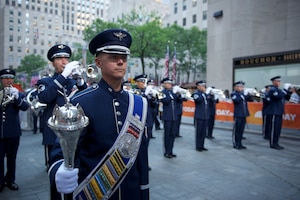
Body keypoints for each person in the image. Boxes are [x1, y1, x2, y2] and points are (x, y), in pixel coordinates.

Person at [48, 29, 149, 200]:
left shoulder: (140, 103)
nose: (120, 61)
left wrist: (143, 192)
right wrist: (59, 170)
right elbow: (62, 152)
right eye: (112, 57)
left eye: (124, 57)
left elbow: (141, 158)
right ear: (98, 62)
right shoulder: (80, 102)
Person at [37, 44, 87, 170]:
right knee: (56, 167)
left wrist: (80, 81)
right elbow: (45, 98)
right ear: (53, 63)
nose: (64, 61)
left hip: (75, 129)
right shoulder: (46, 82)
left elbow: (86, 98)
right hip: (54, 131)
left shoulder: (73, 81)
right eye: (59, 58)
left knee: (76, 166)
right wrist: (64, 75)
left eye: (66, 58)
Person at [0, 69, 29, 192]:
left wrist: (17, 97)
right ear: (1, 80)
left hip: (13, 133)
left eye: (10, 78)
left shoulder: (17, 93)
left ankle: (10, 180)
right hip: (0, 133)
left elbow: (25, 107)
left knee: (12, 159)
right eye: (5, 78)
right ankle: (0, 182)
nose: (8, 80)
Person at [266, 76, 289, 150]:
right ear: (273, 82)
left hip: (278, 112)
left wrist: (288, 90)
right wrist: (285, 89)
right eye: (277, 81)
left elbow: (286, 96)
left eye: (279, 81)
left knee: (278, 129)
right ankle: (273, 143)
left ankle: (276, 142)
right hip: (274, 112)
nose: (279, 83)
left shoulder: (278, 90)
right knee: (274, 129)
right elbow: (279, 96)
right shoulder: (272, 90)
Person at [160, 77, 180, 158]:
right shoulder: (161, 92)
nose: (169, 85)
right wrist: (174, 94)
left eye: (170, 83)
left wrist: (178, 94)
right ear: (164, 84)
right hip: (167, 117)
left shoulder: (172, 92)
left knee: (172, 134)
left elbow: (180, 100)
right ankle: (166, 151)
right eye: (168, 83)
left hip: (174, 116)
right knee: (167, 135)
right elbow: (165, 101)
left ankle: (171, 151)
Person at [133, 74, 156, 139]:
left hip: (148, 120)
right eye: (142, 82)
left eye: (144, 82)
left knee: (146, 141)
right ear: (137, 82)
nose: (144, 84)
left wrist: (153, 98)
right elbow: (138, 102)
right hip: (138, 121)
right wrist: (145, 94)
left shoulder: (148, 92)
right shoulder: (134, 91)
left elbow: (153, 105)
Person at [231, 81, 252, 149]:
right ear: (236, 87)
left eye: (242, 86)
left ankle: (240, 143)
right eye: (240, 86)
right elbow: (236, 100)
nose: (242, 88)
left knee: (241, 130)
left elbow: (250, 99)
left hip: (244, 114)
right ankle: (235, 143)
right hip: (238, 114)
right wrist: (243, 95)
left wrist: (249, 94)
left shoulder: (243, 94)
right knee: (237, 130)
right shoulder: (234, 94)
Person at [192, 80, 209, 151]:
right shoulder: (196, 93)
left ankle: (202, 145)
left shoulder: (205, 94)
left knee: (203, 132)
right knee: (199, 132)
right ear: (198, 86)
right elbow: (198, 100)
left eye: (204, 86)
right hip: (199, 115)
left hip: (205, 116)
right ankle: (198, 146)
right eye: (202, 86)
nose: (203, 87)